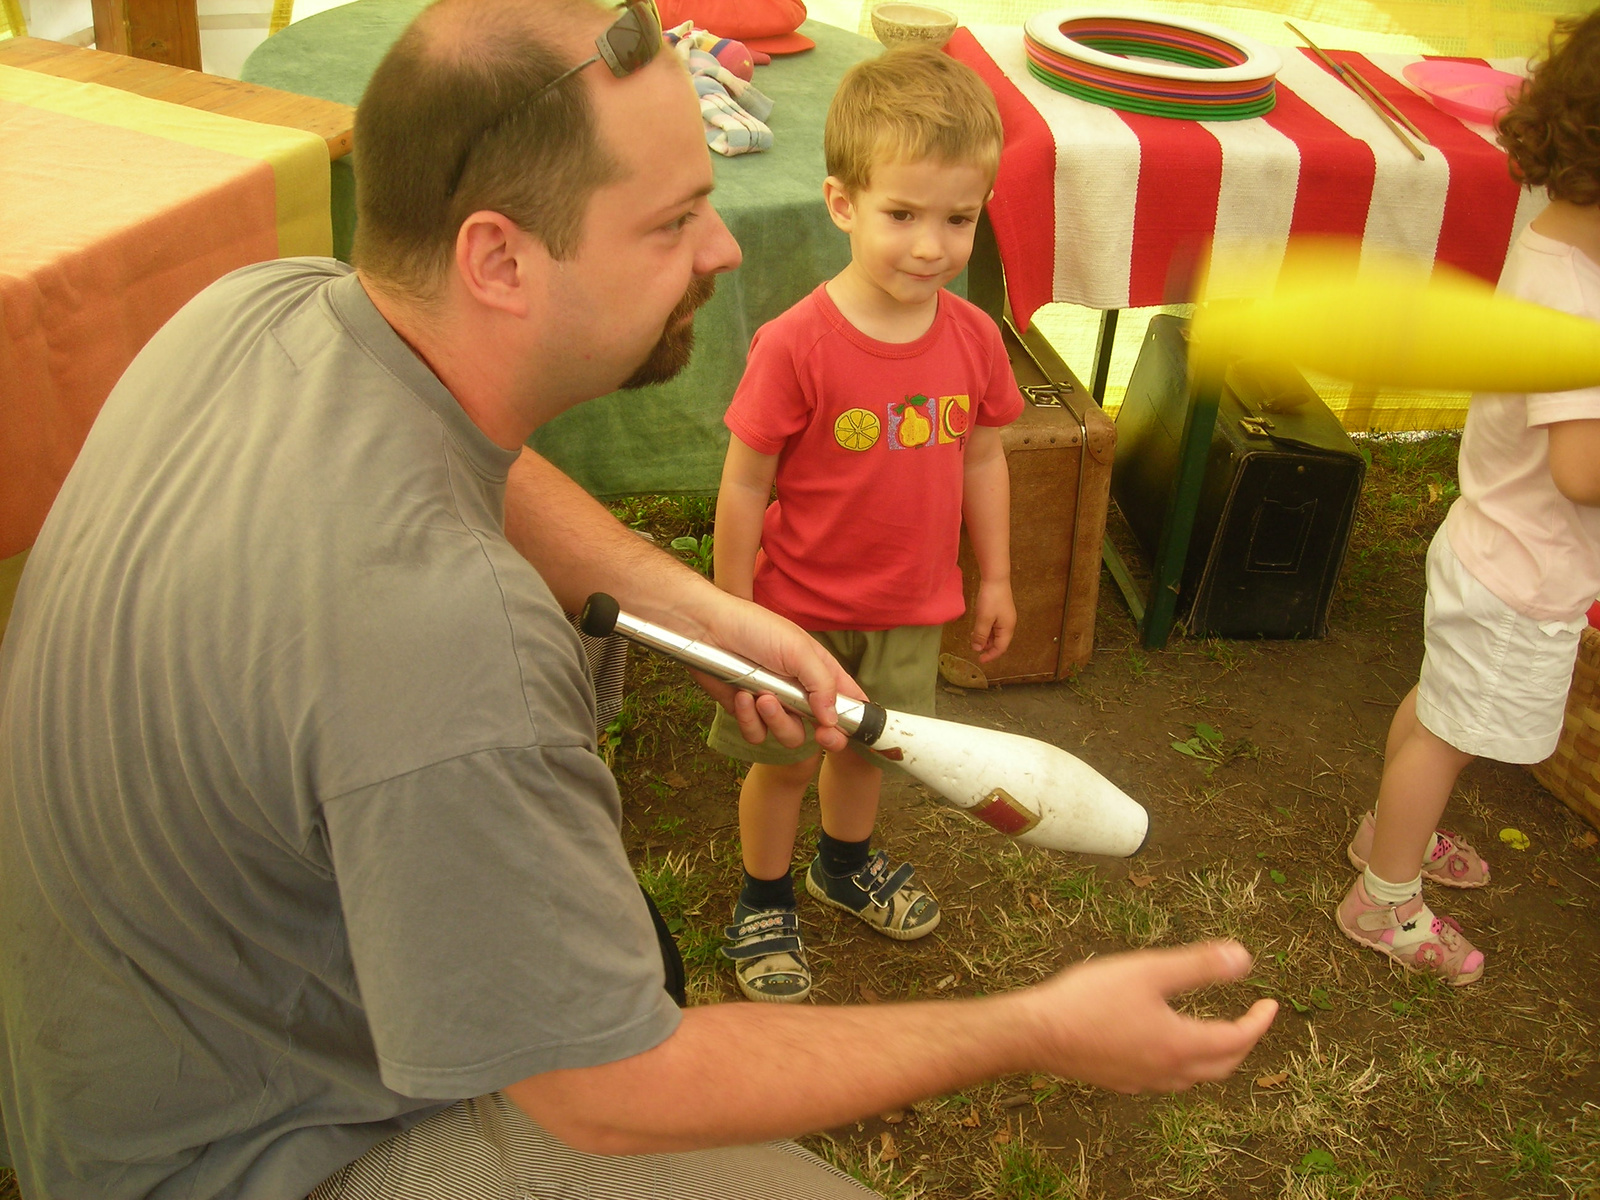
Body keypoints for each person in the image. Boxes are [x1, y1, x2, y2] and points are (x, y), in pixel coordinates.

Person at [0, 1, 1277, 1196]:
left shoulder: (263, 302)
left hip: (104, 1045)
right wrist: (1033, 1025)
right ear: (498, 258)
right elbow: (602, 1094)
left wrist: (692, 603)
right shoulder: (449, 646)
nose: (722, 248)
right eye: (671, 223)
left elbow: (475, 470)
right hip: (243, 1157)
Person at [707, 47, 1021, 1004]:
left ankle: (843, 867)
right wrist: (730, 615)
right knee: (787, 765)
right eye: (903, 215)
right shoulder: (796, 343)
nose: (931, 246)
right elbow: (743, 485)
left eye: (958, 219)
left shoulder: (971, 336)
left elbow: (982, 456)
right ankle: (764, 897)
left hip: (908, 608)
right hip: (796, 612)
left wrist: (996, 577)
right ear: (842, 203)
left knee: (870, 755)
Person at [1335, 10, 1600, 986]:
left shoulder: (1559, 244)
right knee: (1449, 733)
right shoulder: (1573, 301)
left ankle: (1385, 835)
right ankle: (1383, 901)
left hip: (1492, 543)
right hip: (1524, 567)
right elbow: (1582, 471)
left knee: (1439, 707)